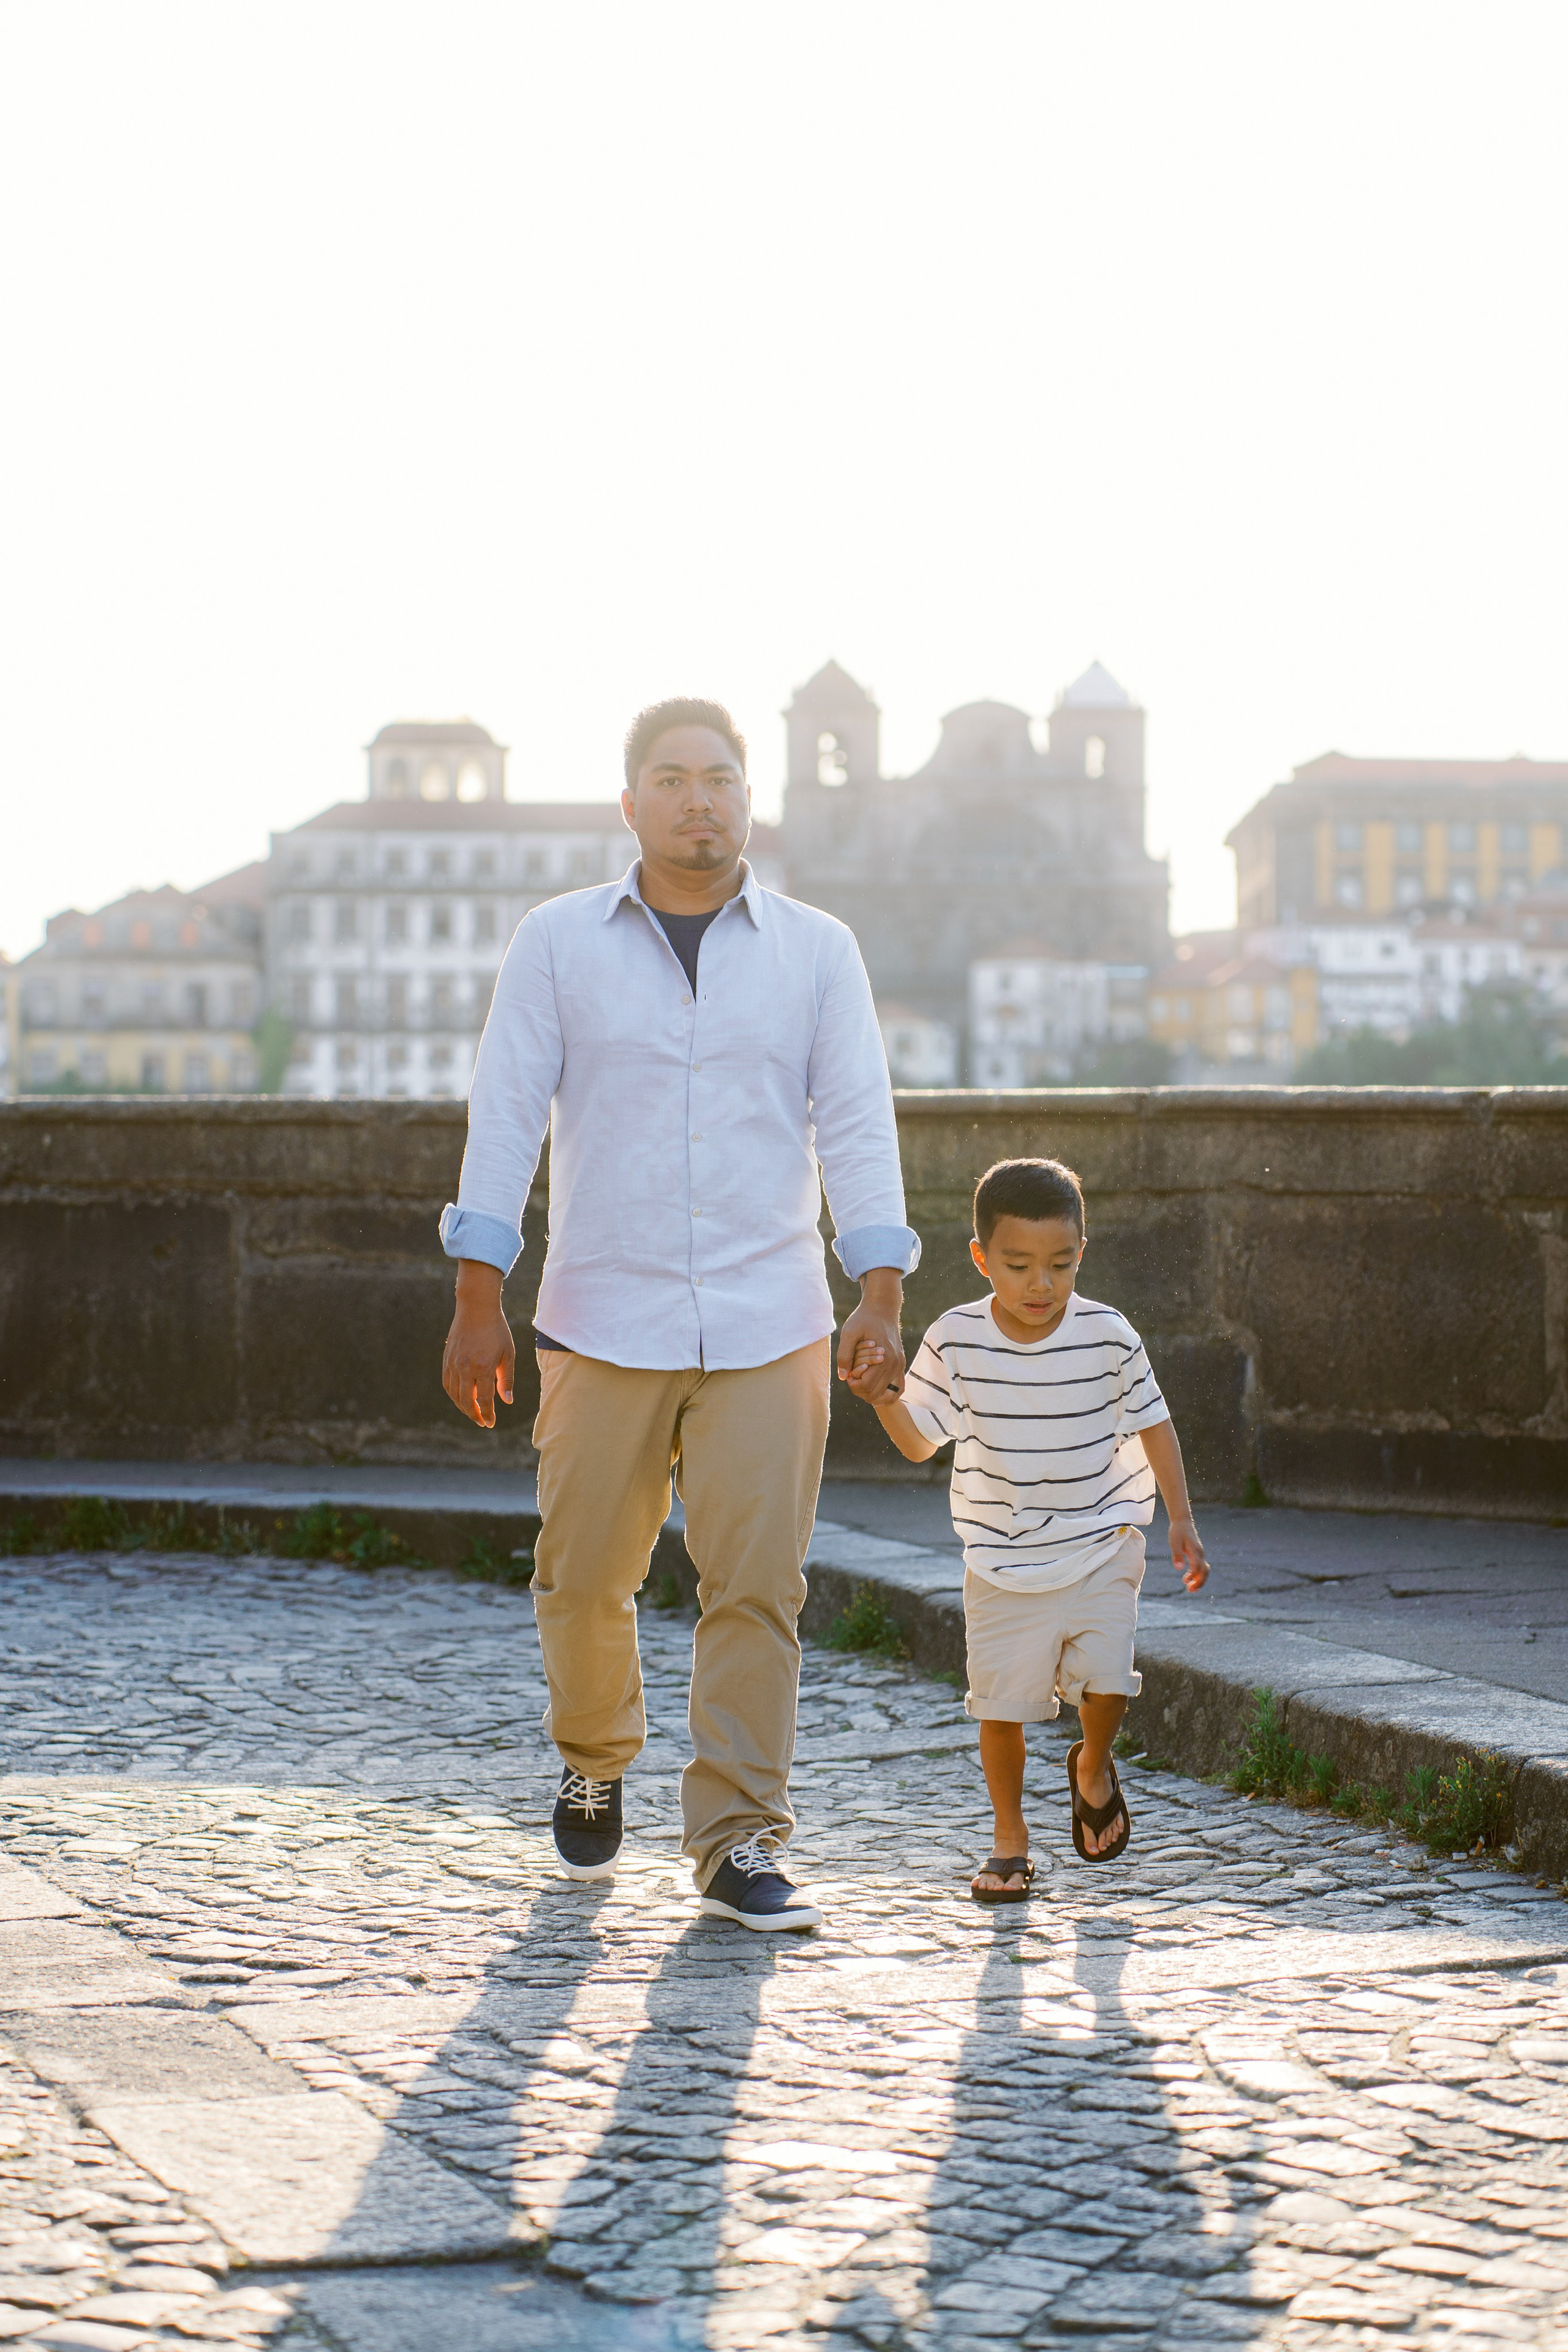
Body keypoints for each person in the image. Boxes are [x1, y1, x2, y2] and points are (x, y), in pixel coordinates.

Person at [439, 696, 917, 1933]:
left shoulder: (818, 951)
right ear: (630, 802)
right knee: (581, 1575)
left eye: (720, 777)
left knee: (756, 1587)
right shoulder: (557, 943)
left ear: (748, 798)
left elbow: (858, 1122)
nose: (698, 798)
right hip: (601, 1310)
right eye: (671, 778)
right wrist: (479, 1294)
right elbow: (506, 1113)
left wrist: (878, 1286)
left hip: (772, 1315)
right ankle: (594, 1753)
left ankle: (737, 1837)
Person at [848, 1155, 1207, 1901]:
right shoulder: (955, 1339)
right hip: (1001, 1560)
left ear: (1082, 1252)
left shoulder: (1108, 1334)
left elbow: (1154, 1422)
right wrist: (884, 1399)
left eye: (1060, 1264)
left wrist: (1180, 1518)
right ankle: (1009, 1839)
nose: (1041, 1284)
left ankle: (1092, 1763)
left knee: (1108, 1682)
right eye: (1018, 1266)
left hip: (1103, 1540)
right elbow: (918, 1442)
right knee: (1002, 1708)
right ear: (982, 1259)